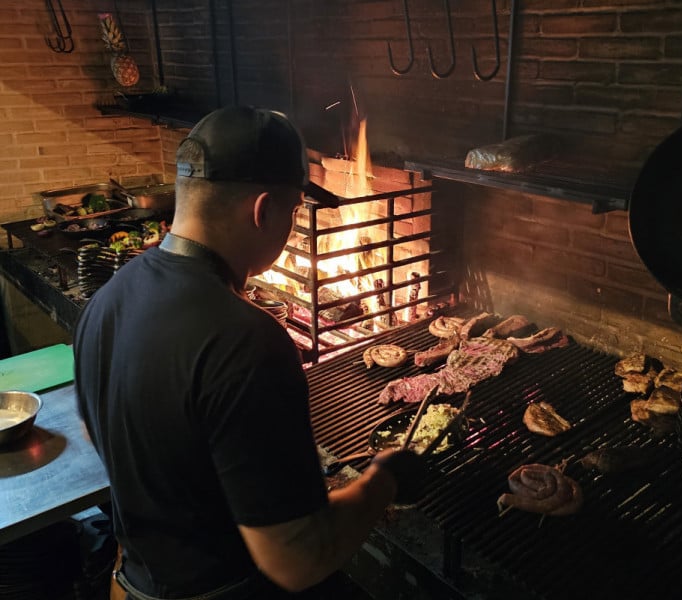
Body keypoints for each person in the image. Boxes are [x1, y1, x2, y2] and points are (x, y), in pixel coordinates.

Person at [73, 106, 429, 600]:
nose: (292, 225)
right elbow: (297, 560)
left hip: (132, 584)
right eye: (294, 211)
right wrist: (382, 482)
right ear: (262, 211)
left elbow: (98, 433)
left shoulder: (107, 300)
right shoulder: (247, 341)